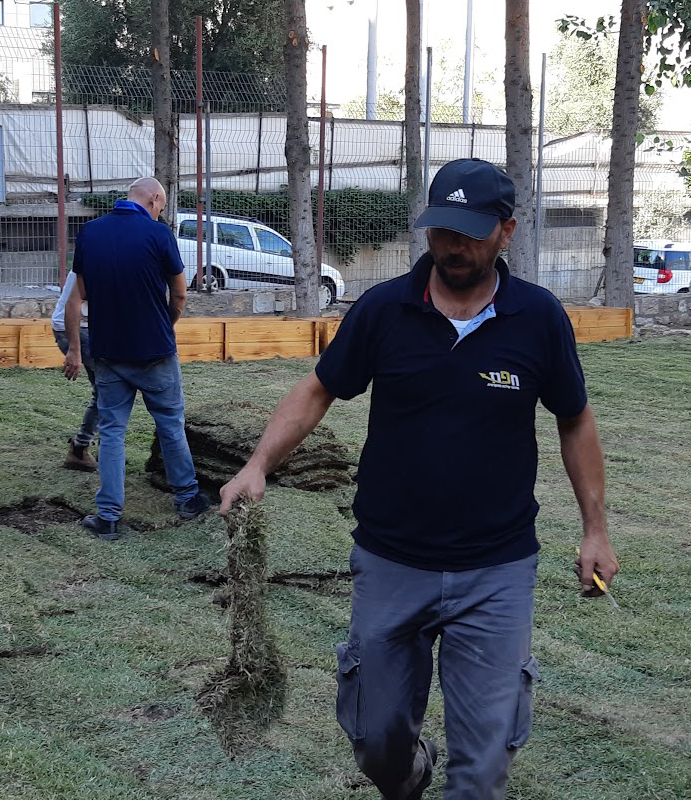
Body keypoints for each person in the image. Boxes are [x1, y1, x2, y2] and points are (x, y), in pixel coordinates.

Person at [218, 158, 619, 799]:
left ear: (507, 232)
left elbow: (575, 421)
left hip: (496, 569)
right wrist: (257, 465)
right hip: (391, 560)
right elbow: (320, 389)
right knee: (379, 745)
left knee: (483, 769)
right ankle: (408, 773)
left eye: (470, 232)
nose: (453, 246)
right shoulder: (384, 310)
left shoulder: (539, 319)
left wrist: (595, 529)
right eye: (441, 230)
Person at [63, 176, 211, 541]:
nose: (160, 211)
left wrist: (75, 347)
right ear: (154, 199)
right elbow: (179, 296)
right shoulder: (160, 235)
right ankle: (187, 498)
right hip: (155, 352)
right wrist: (166, 325)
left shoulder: (91, 233)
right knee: (170, 424)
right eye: (161, 206)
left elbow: (77, 296)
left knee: (112, 432)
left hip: (109, 351)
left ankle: (108, 516)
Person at [52, 270, 98, 471]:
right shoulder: (99, 252)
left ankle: (88, 449)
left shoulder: (101, 246)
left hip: (77, 326)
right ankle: (81, 449)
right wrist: (74, 349)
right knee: (110, 391)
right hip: (80, 328)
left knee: (106, 391)